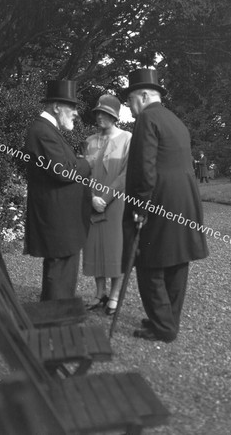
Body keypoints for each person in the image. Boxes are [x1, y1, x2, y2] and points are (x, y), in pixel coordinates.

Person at [122, 69, 209, 342]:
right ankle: (168, 320)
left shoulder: (147, 118)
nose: (129, 106)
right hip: (185, 200)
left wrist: (139, 207)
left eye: (131, 99)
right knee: (176, 260)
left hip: (158, 200)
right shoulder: (175, 120)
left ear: (145, 96)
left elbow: (143, 169)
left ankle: (163, 326)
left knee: (148, 262)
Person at [24, 79, 92, 301]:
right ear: (56, 107)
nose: (75, 113)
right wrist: (87, 163)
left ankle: (55, 315)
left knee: (61, 270)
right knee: (60, 271)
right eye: (71, 107)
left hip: (61, 220)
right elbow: (63, 171)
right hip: (58, 221)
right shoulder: (43, 131)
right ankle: (55, 319)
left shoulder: (47, 130)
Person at [83, 95, 132, 315]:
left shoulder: (127, 138)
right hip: (93, 203)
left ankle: (114, 295)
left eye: (104, 113)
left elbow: (126, 173)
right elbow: (84, 172)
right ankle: (99, 292)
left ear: (114, 116)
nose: (99, 116)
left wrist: (105, 197)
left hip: (116, 203)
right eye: (97, 113)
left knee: (115, 249)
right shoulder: (90, 141)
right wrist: (92, 197)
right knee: (94, 248)